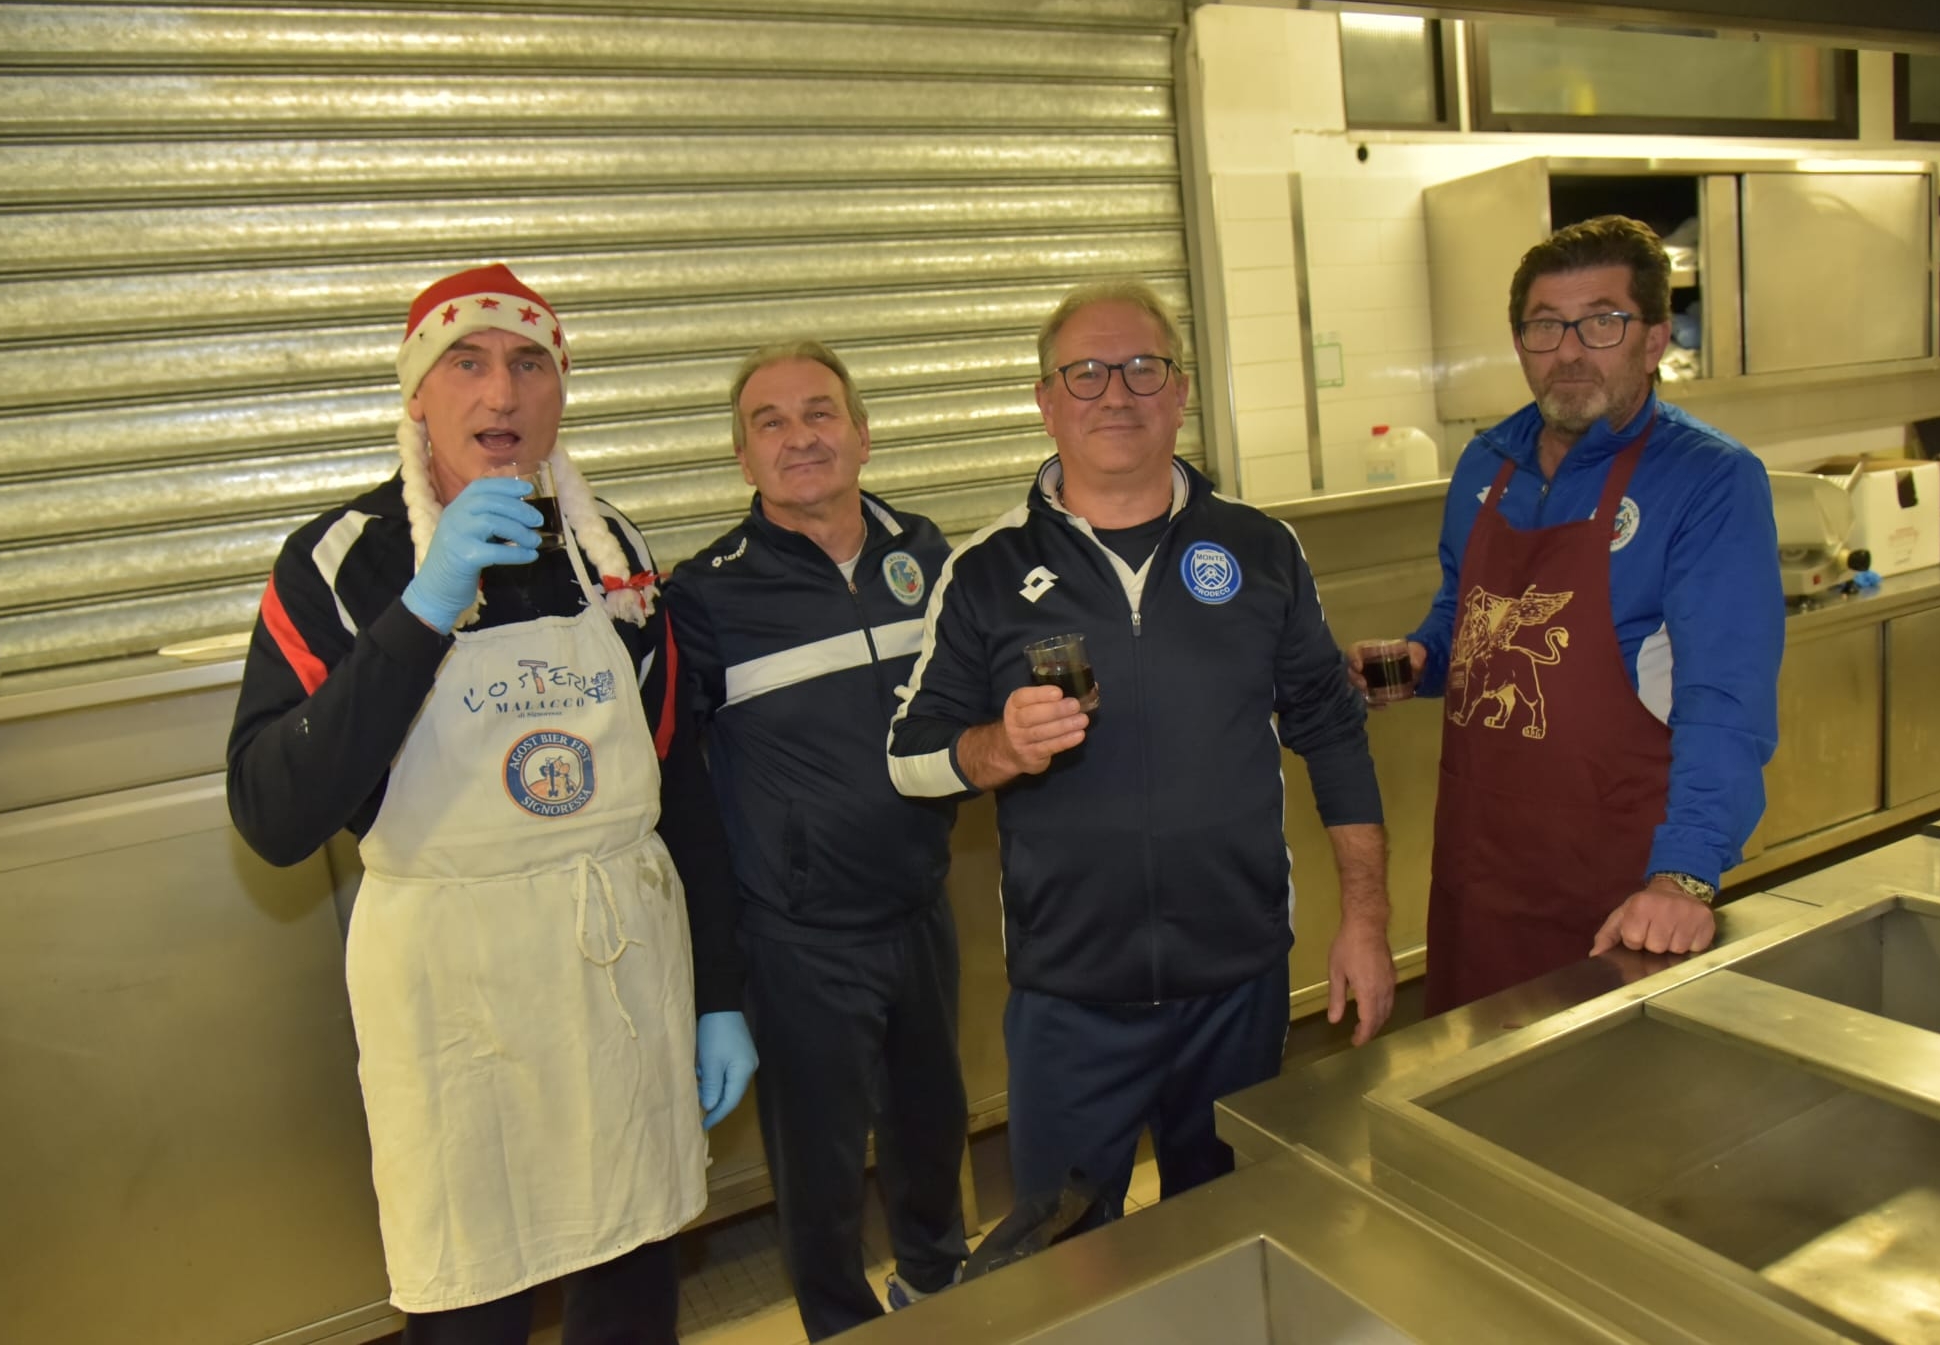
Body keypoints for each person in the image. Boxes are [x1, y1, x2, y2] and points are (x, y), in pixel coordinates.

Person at [226, 263, 757, 1344]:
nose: (500, 394)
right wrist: (424, 608)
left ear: (560, 391)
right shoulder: (339, 565)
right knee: (472, 1302)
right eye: (464, 363)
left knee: (631, 1291)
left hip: (618, 978)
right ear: (416, 394)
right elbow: (274, 813)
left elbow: (679, 786)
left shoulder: (611, 553)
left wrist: (718, 990)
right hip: (456, 1004)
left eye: (527, 364)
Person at [887, 279, 1392, 1224]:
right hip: (1071, 1000)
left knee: (1236, 1233)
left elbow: (1331, 731)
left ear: (1181, 390)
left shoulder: (1261, 549)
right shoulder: (986, 569)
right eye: (1084, 373)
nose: (1115, 393)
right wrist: (997, 746)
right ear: (1046, 401)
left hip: (1238, 985)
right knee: (1068, 1260)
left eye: (1141, 368)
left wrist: (1366, 919)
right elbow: (908, 756)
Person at [1365, 215, 1782, 1014]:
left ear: (1653, 340)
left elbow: (1725, 705)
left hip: (1618, 896)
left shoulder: (1708, 480)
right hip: (1479, 878)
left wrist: (1684, 876)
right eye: (1545, 326)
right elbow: (1467, 614)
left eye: (1601, 322)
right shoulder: (1488, 460)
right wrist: (1422, 659)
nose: (1569, 351)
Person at [662, 341, 969, 1340]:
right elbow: (676, 787)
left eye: (819, 412)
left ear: (862, 434)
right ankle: (838, 1324)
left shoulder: (927, 554)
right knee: (821, 1169)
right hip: (796, 938)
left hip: (920, 905)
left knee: (932, 1130)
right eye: (771, 422)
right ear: (742, 457)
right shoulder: (706, 595)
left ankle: (936, 1288)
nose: (799, 437)